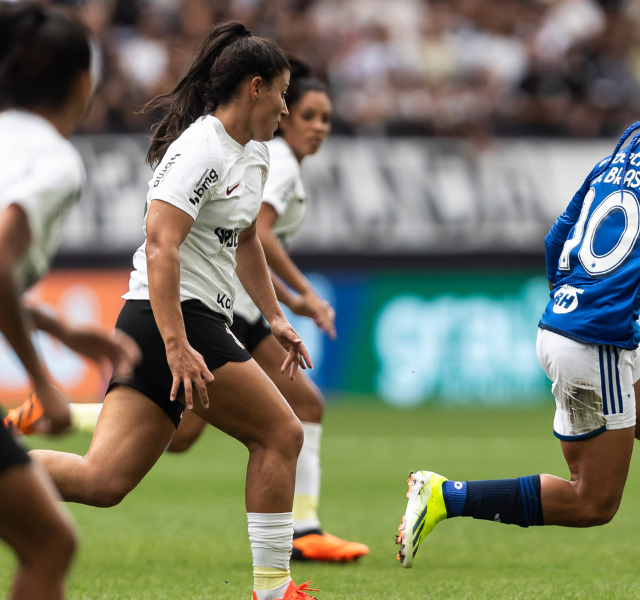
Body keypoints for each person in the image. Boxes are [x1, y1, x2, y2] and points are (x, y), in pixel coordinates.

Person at [394, 64, 640, 600]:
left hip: (588, 329)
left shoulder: (624, 152)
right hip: (594, 340)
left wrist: (568, 298)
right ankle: (445, 495)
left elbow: (558, 236)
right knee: (592, 503)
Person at [28, 21, 318, 600]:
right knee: (281, 433)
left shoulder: (253, 155)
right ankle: (272, 590)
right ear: (255, 88)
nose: (287, 108)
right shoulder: (200, 150)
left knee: (102, 480)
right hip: (175, 316)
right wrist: (178, 342)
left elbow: (246, 241)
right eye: (284, 93)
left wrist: (276, 316)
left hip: (178, 320)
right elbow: (159, 246)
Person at [163, 57, 368, 562]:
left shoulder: (261, 154)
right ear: (279, 108)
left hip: (228, 299)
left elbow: (249, 233)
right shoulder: (275, 160)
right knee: (305, 409)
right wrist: (299, 297)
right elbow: (261, 233)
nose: (318, 128)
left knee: (181, 430)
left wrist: (288, 304)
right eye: (307, 115)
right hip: (223, 303)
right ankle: (304, 529)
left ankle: (57, 416)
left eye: (326, 119)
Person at [0, 4, 138, 599]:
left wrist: (60, 331)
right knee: (50, 544)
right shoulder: (53, 160)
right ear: (84, 83)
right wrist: (44, 382)